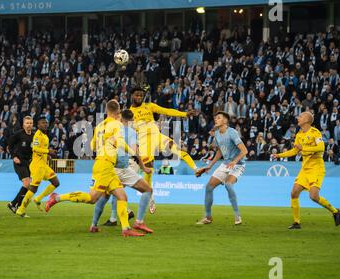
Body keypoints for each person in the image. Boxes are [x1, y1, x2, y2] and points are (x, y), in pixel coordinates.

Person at [44, 99, 144, 237]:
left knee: (122, 196)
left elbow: (91, 146)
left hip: (104, 164)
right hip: (105, 166)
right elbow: (120, 142)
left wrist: (105, 146)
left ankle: (126, 229)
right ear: (118, 111)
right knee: (92, 199)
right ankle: (57, 198)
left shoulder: (100, 126)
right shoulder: (116, 124)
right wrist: (135, 154)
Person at [129, 86, 199, 214]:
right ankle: (151, 200)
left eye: (141, 95)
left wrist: (184, 114)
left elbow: (166, 111)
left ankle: (196, 169)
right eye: (137, 95)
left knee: (178, 150)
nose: (139, 97)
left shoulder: (149, 106)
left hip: (158, 137)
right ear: (132, 96)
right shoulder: (129, 112)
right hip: (145, 145)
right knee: (148, 174)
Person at [271, 112, 340, 229]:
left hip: (316, 168)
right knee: (294, 193)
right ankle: (296, 222)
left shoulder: (315, 132)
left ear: (307, 120)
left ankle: (335, 211)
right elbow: (295, 151)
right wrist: (279, 155)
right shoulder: (299, 134)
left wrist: (303, 148)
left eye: (301, 116)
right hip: (305, 169)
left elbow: (321, 147)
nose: (298, 118)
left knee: (313, 196)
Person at [91, 109, 154, 233]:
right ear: (131, 120)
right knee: (147, 190)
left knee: (103, 196)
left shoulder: (109, 128)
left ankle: (94, 224)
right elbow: (135, 152)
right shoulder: (131, 132)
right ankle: (139, 222)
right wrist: (143, 167)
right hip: (122, 169)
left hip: (107, 166)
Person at [196, 111, 248, 225]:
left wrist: (234, 161)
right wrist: (210, 165)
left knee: (228, 185)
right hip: (225, 164)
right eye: (215, 118)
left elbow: (244, 150)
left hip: (238, 164)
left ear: (225, 121)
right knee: (209, 187)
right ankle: (208, 217)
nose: (216, 120)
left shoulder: (232, 132)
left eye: (219, 118)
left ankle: (237, 215)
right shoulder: (217, 134)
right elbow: (220, 151)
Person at [15, 115, 60, 217]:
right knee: (33, 188)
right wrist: (48, 151)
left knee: (56, 182)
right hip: (37, 166)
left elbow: (40, 150)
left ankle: (38, 199)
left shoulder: (45, 136)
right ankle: (21, 209)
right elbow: (35, 148)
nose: (45, 124)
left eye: (46, 123)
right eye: (42, 123)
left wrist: (47, 155)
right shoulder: (37, 136)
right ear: (38, 125)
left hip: (43, 165)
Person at [6, 116, 34, 213]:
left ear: (32, 124)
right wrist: (14, 156)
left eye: (30, 123)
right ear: (23, 124)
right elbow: (9, 145)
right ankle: (15, 205)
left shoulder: (34, 136)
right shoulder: (18, 134)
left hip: (28, 163)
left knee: (29, 186)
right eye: (27, 123)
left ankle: (14, 204)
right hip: (19, 162)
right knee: (26, 183)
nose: (29, 125)